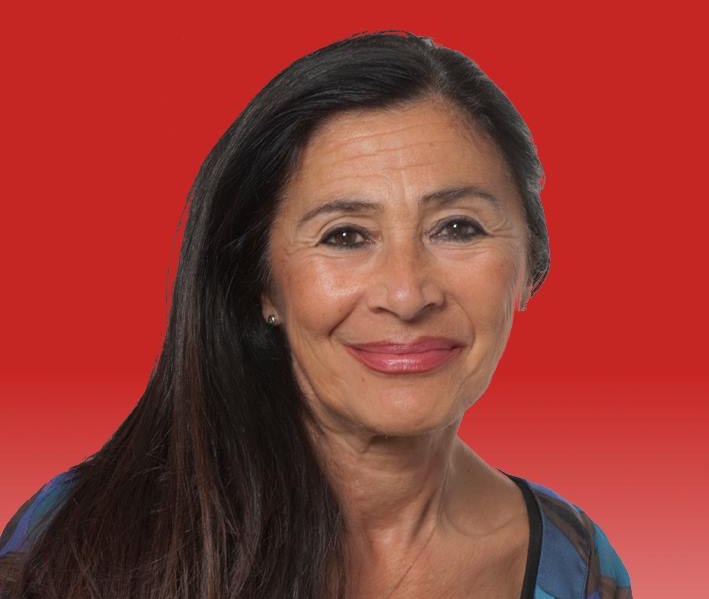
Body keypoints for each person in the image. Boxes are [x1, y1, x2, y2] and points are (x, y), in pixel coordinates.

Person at [0, 32, 632, 598]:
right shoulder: (73, 541)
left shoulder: (576, 570)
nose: (407, 294)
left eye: (457, 227)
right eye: (345, 236)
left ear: (531, 264)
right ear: (263, 284)